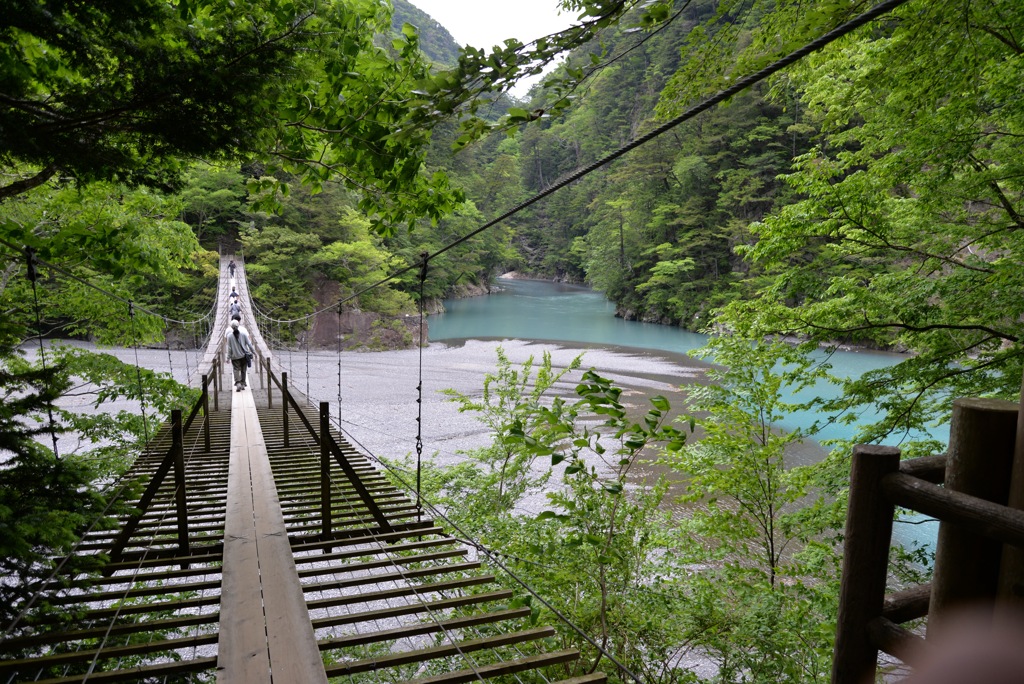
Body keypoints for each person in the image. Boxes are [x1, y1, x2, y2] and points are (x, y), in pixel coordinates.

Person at [225, 319, 252, 391]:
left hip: (235, 357)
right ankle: (243, 384)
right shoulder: (243, 334)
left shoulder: (229, 336)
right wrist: (254, 352)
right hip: (244, 356)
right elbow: (249, 344)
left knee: (236, 369)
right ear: (238, 325)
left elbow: (229, 348)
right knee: (243, 370)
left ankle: (238, 383)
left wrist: (228, 358)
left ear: (231, 327)